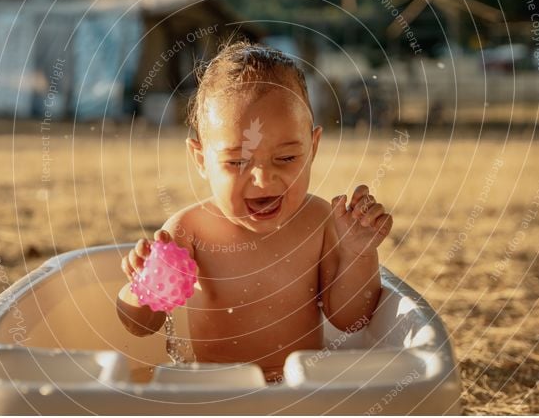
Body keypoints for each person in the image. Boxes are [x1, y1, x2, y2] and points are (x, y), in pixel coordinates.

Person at [117, 41, 393, 383]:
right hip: (213, 394)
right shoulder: (190, 231)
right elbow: (140, 326)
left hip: (298, 393)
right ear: (201, 161)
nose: (263, 179)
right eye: (236, 162)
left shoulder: (319, 222)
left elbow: (351, 318)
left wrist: (358, 254)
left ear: (313, 147)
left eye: (287, 158)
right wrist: (141, 288)